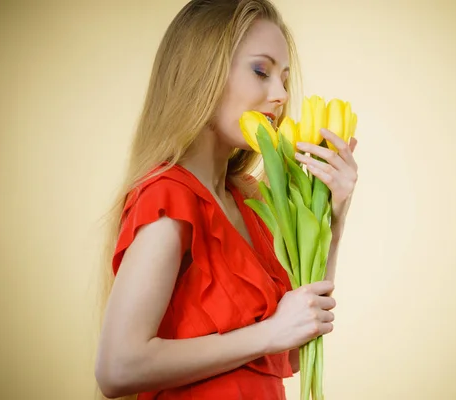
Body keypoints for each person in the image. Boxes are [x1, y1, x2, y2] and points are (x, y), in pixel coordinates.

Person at [94, 0, 359, 399]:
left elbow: (291, 356)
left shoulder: (253, 200)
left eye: (285, 79)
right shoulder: (169, 198)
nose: (281, 95)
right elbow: (117, 368)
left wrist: (333, 217)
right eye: (261, 71)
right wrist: (267, 334)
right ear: (203, 74)